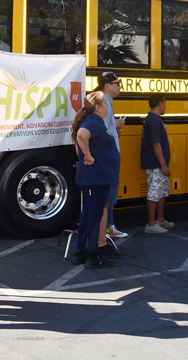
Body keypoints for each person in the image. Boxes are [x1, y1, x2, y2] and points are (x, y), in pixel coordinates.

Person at [72, 92, 121, 269]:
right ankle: (93, 256)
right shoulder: (93, 121)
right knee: (94, 216)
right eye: (106, 104)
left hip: (96, 177)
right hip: (96, 178)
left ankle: (81, 252)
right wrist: (88, 155)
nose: (108, 107)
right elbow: (81, 136)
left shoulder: (96, 122)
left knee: (87, 215)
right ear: (98, 107)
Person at [94, 72, 127, 242]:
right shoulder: (104, 103)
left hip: (108, 156)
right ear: (107, 85)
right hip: (108, 158)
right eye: (117, 83)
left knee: (108, 195)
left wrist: (117, 127)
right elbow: (103, 132)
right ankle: (107, 229)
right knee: (109, 196)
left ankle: (108, 227)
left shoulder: (106, 103)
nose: (120, 86)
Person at [141, 94, 173, 234]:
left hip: (156, 163)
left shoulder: (153, 119)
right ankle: (151, 223)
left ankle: (160, 219)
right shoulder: (154, 121)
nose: (166, 106)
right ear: (159, 103)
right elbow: (156, 143)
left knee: (162, 190)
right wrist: (163, 163)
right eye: (165, 103)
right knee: (154, 192)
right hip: (155, 164)